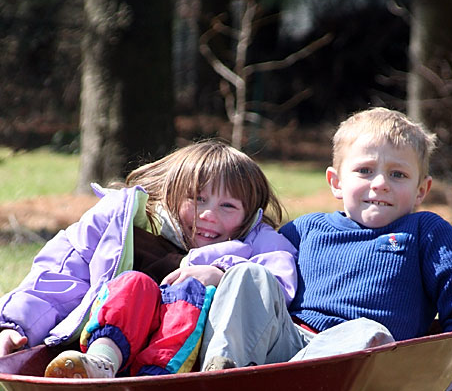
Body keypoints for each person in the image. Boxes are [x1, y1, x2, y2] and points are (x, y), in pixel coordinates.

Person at [197, 107, 452, 369]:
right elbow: (255, 260)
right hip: (289, 342)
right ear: (336, 183)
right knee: (250, 273)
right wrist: (220, 270)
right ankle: (223, 375)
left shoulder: (424, 231)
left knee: (366, 330)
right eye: (364, 171)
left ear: (421, 190)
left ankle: (289, 380)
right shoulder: (307, 229)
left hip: (358, 365)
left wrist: (432, 375)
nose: (380, 184)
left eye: (398, 175)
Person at [0, 140, 297, 377]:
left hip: (187, 363)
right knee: (133, 284)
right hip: (113, 351)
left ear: (250, 213)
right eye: (197, 199)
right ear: (174, 193)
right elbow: (61, 273)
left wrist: (222, 272)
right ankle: (97, 365)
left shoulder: (257, 243)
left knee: (186, 295)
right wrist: (16, 325)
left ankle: (157, 380)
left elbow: (277, 285)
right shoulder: (123, 224)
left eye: (228, 206)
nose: (208, 215)